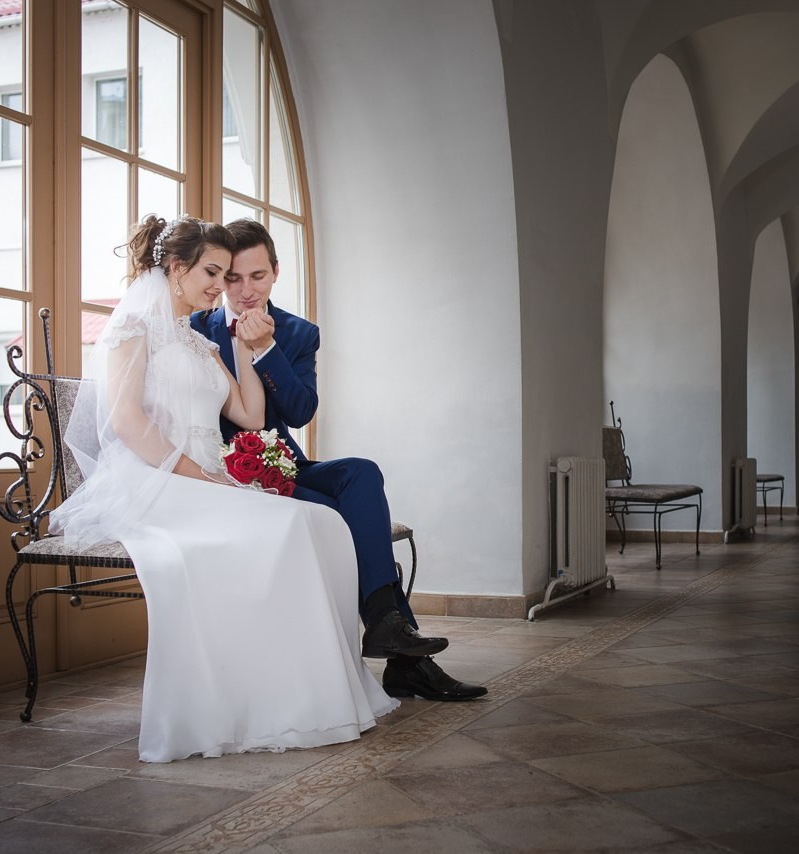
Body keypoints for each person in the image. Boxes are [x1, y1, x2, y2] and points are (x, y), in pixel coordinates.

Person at [50, 214, 399, 763]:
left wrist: (248, 347)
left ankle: (307, 687)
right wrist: (201, 476)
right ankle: (267, 697)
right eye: (213, 272)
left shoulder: (200, 342)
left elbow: (251, 415)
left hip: (214, 475)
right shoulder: (132, 329)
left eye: (228, 273)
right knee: (294, 523)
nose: (222, 285)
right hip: (163, 478)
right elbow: (125, 422)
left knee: (325, 521)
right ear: (176, 267)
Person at [191, 218, 487, 702]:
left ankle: (388, 627)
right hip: (226, 476)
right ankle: (405, 658)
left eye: (258, 276)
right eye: (233, 278)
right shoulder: (194, 330)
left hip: (286, 464)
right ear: (220, 278)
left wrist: (266, 349)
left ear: (276, 272)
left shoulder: (296, 332)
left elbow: (299, 411)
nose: (246, 291)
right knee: (337, 516)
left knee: (361, 473)